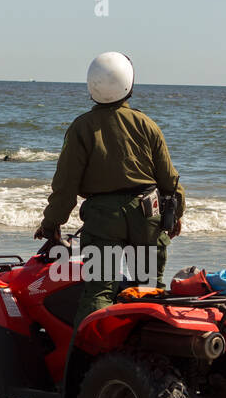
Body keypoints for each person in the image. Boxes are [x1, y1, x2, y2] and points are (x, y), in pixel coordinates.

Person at [35, 52, 185, 325]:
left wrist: (51, 224)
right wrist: (176, 216)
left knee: (99, 292)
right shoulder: (147, 125)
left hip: (103, 219)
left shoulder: (82, 128)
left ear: (92, 86)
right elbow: (169, 181)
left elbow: (65, 187)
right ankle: (149, 359)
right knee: (148, 290)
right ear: (129, 84)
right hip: (147, 216)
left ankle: (87, 358)